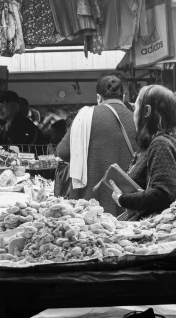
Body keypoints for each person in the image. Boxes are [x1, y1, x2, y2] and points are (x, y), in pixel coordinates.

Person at [57, 75, 139, 216]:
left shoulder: (85, 117)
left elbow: (62, 152)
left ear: (98, 97)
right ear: (123, 96)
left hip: (90, 207)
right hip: (128, 206)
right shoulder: (136, 119)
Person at [111, 85, 176, 220]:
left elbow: (163, 194)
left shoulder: (160, 144)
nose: (134, 113)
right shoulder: (160, 142)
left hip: (156, 228)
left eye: (136, 107)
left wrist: (122, 199)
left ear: (147, 111)